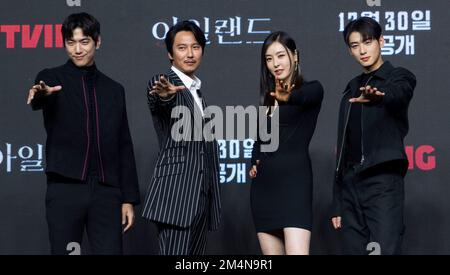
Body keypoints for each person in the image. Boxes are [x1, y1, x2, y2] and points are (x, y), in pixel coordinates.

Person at [26, 12, 140, 255]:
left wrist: (128, 198)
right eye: (71, 42)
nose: (77, 49)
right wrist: (41, 93)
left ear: (97, 42)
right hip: (65, 188)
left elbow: (123, 144)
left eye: (84, 42)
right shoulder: (51, 78)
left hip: (106, 193)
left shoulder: (114, 90)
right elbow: (40, 95)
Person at [330, 17, 416, 255]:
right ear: (350, 50)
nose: (362, 50)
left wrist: (381, 96)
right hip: (349, 187)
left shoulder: (398, 76)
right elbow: (343, 147)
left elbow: (400, 93)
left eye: (367, 42)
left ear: (381, 41)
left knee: (384, 251)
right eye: (355, 45)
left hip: (382, 181)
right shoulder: (351, 88)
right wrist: (337, 200)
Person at [141, 20, 221, 255]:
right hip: (175, 198)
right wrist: (165, 96)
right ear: (170, 53)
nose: (190, 54)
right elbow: (160, 100)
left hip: (200, 199)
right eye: (182, 47)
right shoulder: (164, 83)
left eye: (195, 47)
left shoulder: (196, 90)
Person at [249, 31, 324, 255]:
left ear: (295, 56)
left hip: (295, 186)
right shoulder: (267, 99)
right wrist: (254, 160)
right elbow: (261, 139)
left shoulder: (312, 90)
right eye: (269, 59)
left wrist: (288, 97)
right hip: (263, 189)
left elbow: (307, 96)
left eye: (280, 56)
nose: (275, 64)